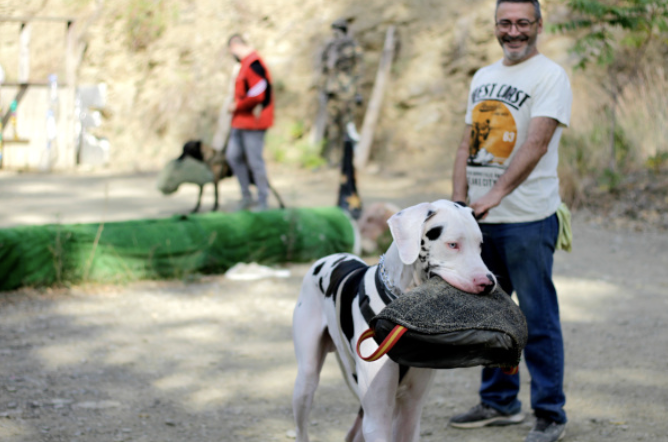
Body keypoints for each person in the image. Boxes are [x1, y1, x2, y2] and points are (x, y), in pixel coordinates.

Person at [449, 1, 572, 442]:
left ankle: (550, 414)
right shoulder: (483, 76)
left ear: (538, 25)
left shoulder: (550, 76)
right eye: (505, 23)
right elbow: (467, 144)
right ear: (495, 26)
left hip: (528, 220)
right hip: (480, 222)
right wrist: (458, 200)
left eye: (523, 23)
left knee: (537, 319)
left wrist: (495, 195)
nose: (514, 31)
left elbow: (536, 143)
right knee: (488, 316)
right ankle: (499, 402)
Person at [225, 34, 274, 211]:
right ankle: (246, 196)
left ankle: (262, 200)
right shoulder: (244, 65)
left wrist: (237, 105)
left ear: (234, 47)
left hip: (254, 122)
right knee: (233, 156)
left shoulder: (254, 63)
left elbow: (258, 94)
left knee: (255, 161)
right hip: (239, 121)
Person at [319, 18, 363, 166]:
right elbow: (324, 69)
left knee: (347, 126)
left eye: (338, 29)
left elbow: (358, 71)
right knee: (332, 127)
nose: (335, 33)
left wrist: (358, 92)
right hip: (331, 91)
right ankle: (333, 159)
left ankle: (348, 160)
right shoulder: (329, 47)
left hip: (347, 91)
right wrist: (323, 88)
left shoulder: (352, 46)